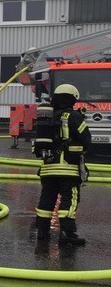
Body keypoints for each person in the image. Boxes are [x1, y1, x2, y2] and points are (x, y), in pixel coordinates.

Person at [34, 83, 91, 246]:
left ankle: (42, 232)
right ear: (72, 99)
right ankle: (67, 233)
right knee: (70, 198)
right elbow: (86, 140)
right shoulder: (73, 116)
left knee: (46, 199)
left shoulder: (46, 117)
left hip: (47, 168)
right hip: (68, 167)